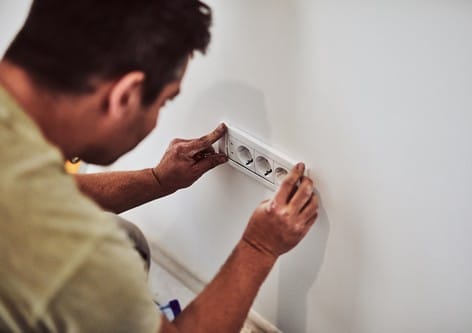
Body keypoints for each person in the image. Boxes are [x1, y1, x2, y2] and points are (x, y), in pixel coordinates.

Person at [0, 0, 318, 332]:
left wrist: (157, 180)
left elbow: (43, 191)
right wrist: (259, 246)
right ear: (126, 95)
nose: (157, 118)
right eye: (166, 100)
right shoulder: (79, 256)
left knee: (129, 240)